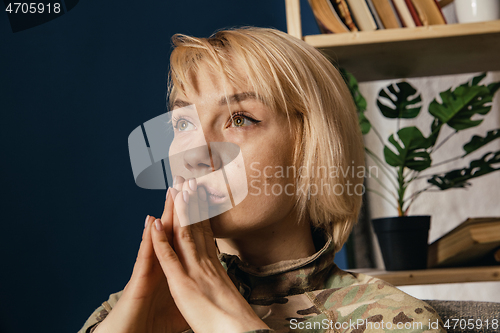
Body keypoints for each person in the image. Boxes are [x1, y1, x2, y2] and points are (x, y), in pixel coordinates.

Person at [79, 27, 445, 333]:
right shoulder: (126, 310)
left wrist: (229, 321)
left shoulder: (393, 320)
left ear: (311, 146)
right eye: (184, 123)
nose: (194, 153)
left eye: (239, 118)